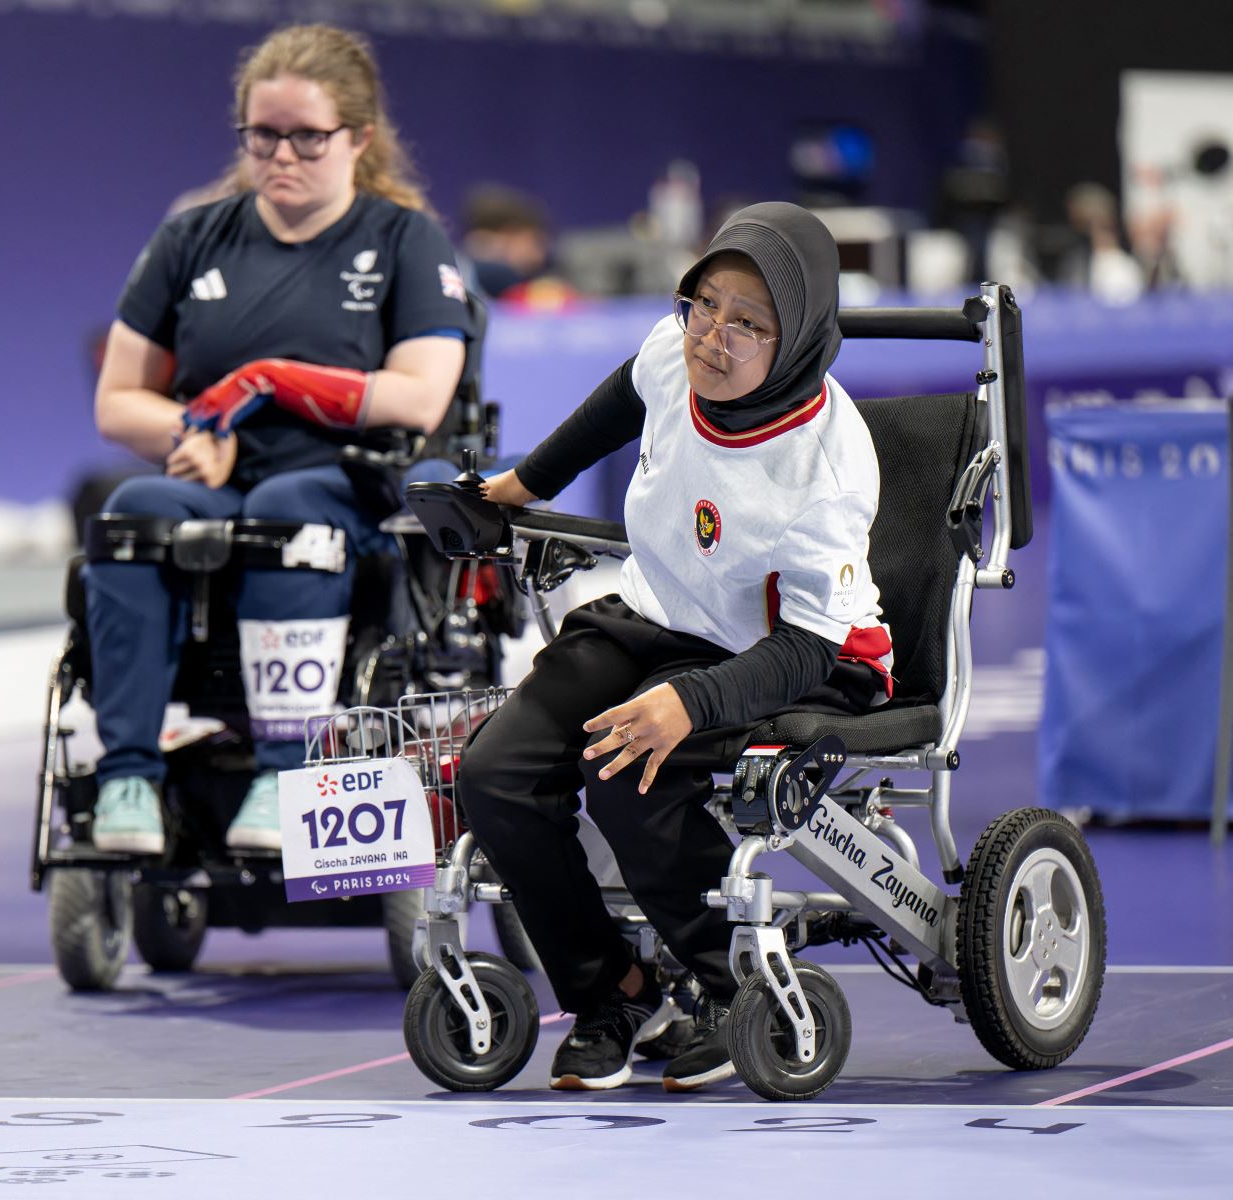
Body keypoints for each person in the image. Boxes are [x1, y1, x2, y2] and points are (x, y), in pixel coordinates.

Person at [460, 202, 892, 1092]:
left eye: (749, 324)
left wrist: (691, 701)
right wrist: (522, 482)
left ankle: (725, 985)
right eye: (705, 307)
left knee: (626, 772)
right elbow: (625, 393)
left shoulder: (828, 465)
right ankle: (614, 992)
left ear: (798, 337)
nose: (713, 339)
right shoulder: (674, 349)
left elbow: (813, 645)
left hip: (778, 652)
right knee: (495, 772)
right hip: (654, 615)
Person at [86, 24, 475, 855]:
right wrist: (195, 429)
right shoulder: (193, 239)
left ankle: (283, 772)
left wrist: (267, 380)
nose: (282, 155)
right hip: (220, 477)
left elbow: (419, 394)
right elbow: (119, 402)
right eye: (263, 135)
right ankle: (126, 778)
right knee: (133, 510)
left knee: (286, 506)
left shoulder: (405, 240)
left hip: (350, 484)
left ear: (359, 138)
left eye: (307, 136)